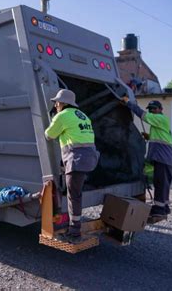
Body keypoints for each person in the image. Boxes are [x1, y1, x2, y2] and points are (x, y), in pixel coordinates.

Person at [44, 89, 100, 243]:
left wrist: (54, 120)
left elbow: (49, 135)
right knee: (76, 192)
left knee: (74, 195)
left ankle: (74, 232)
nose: (55, 105)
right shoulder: (83, 116)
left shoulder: (62, 115)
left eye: (56, 102)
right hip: (90, 158)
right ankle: (74, 227)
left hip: (77, 160)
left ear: (63, 103)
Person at [122, 97, 172, 217]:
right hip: (164, 158)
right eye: (150, 109)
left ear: (160, 109)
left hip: (163, 157)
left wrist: (128, 103)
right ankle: (164, 207)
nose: (152, 111)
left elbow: (142, 115)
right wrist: (149, 137)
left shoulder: (160, 118)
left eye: (154, 109)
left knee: (161, 182)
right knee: (163, 183)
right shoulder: (159, 122)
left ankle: (159, 209)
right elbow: (163, 137)